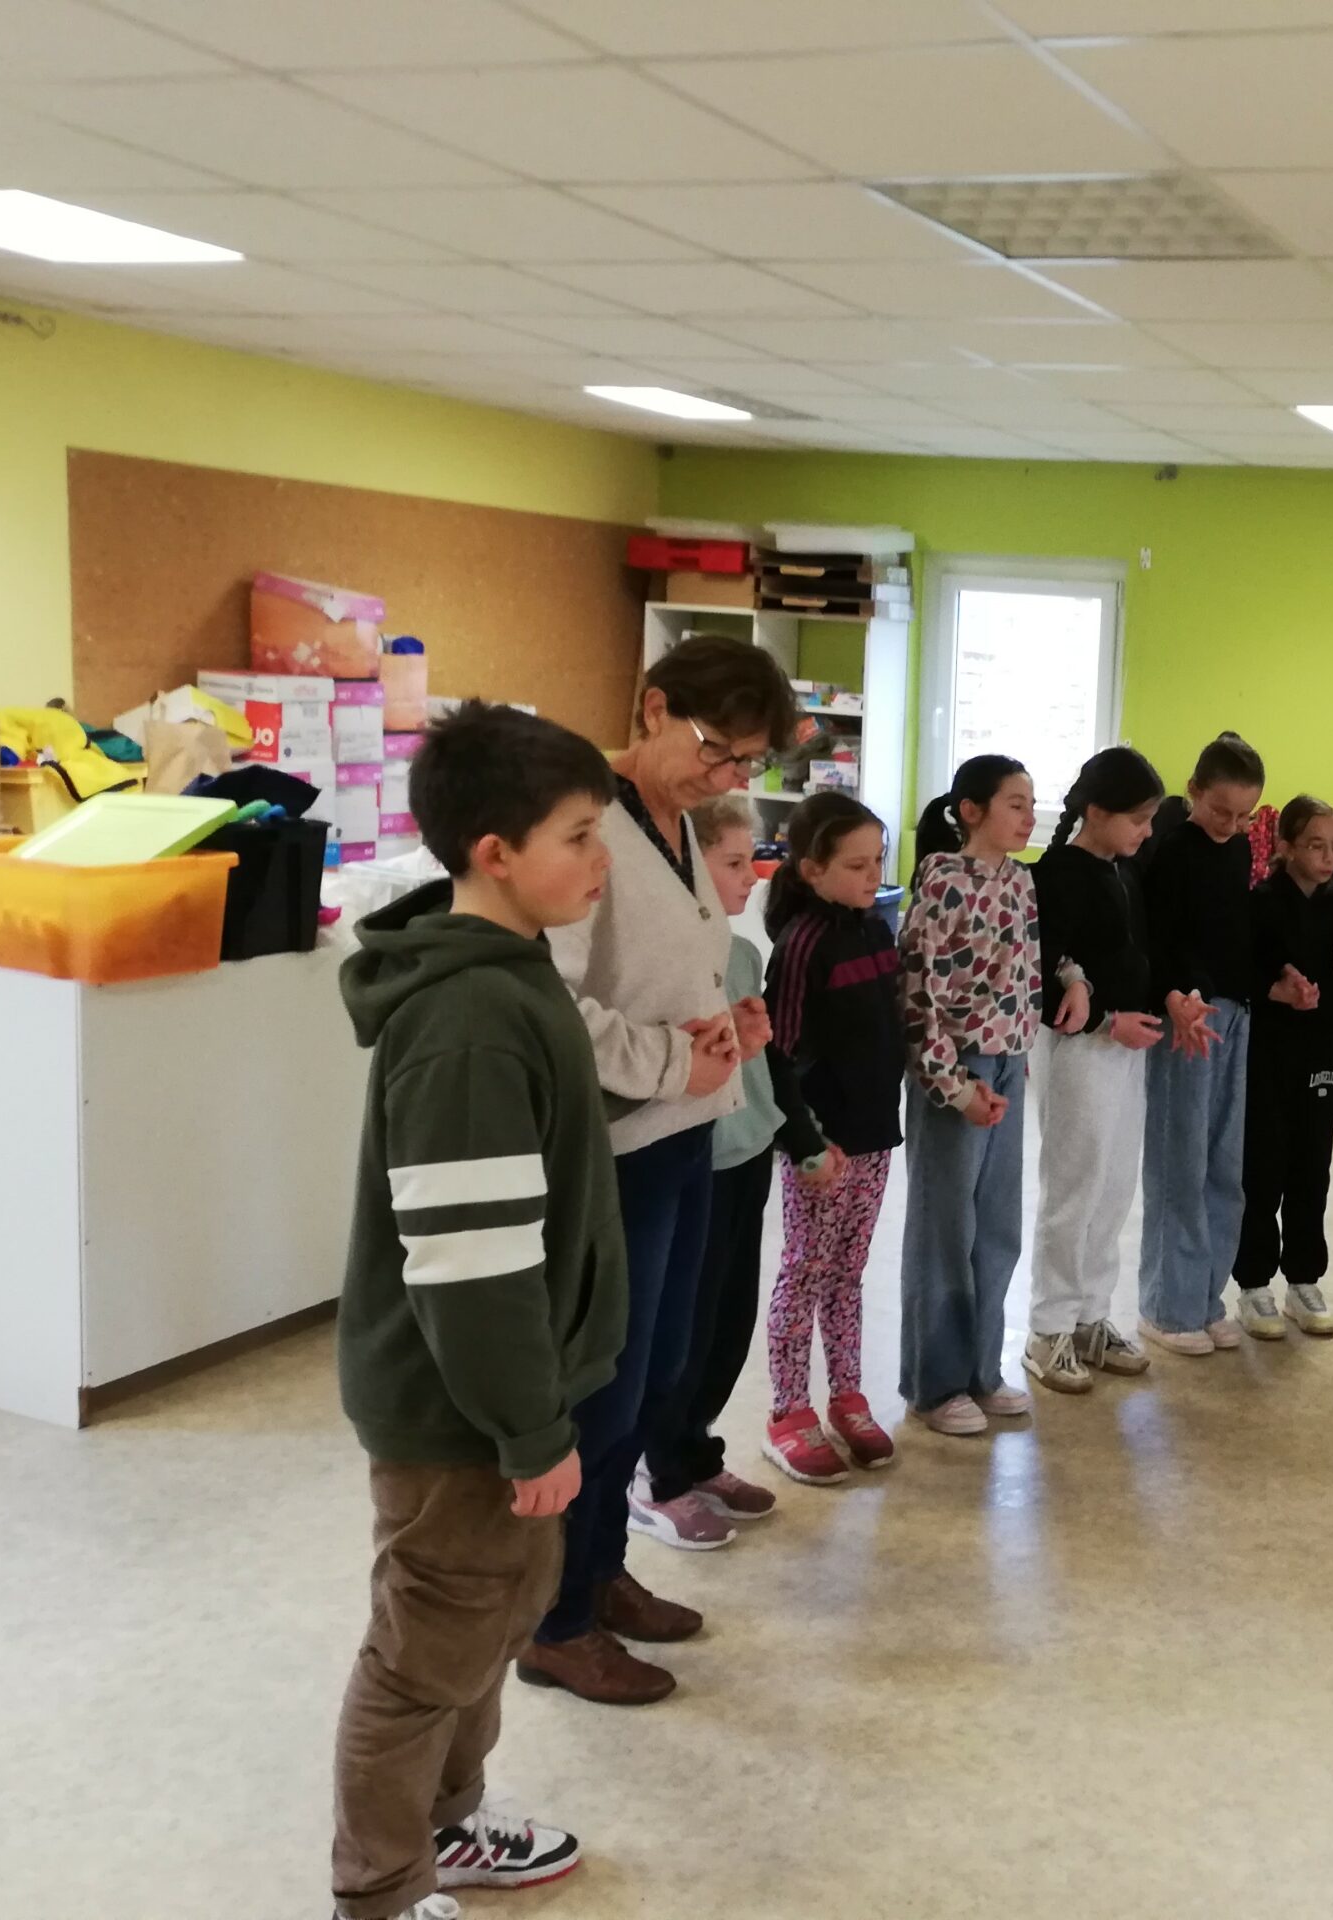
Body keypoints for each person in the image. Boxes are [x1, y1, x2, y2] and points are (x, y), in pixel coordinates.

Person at [329, 703, 619, 1920]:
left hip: (508, 1397)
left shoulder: (511, 973)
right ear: (494, 853)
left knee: (491, 1624)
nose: (601, 861)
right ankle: (380, 1892)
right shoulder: (466, 1022)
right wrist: (527, 1428)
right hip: (463, 1412)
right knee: (423, 1658)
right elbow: (470, 1265)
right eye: (578, 837)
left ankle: (449, 1827)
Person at [520, 635, 792, 1706]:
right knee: (606, 1386)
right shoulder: (585, 824)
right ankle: (558, 1621)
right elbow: (556, 1004)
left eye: (747, 764)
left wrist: (728, 1024)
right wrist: (676, 1059)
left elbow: (667, 974)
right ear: (652, 708)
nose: (725, 776)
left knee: (657, 1370)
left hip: (683, 1135)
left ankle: (602, 1572)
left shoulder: (675, 820)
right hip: (618, 1150)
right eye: (716, 748)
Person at [637, 795, 785, 1523]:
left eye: (749, 859)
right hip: (695, 1155)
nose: (750, 876)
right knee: (682, 1332)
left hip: (747, 1150)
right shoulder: (660, 960)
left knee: (728, 1322)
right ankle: (657, 1476)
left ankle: (697, 1451)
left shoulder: (744, 955)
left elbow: (759, 1065)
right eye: (732, 862)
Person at [759, 792, 904, 1484]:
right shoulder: (802, 944)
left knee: (848, 1273)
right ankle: (788, 1411)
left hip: (874, 1138)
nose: (872, 875)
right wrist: (805, 1143)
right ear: (812, 869)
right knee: (805, 1272)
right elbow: (777, 1055)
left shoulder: (875, 930)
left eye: (878, 860)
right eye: (855, 864)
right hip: (822, 1149)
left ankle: (848, 1395)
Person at [899, 754, 1041, 1435]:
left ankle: (984, 1369)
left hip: (1009, 1063)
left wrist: (1021, 1050)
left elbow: (1026, 973)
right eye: (1016, 803)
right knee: (945, 1229)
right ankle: (936, 1384)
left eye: (1032, 804)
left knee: (997, 1226)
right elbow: (917, 995)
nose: (1029, 817)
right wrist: (954, 1088)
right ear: (971, 810)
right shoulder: (941, 881)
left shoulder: (1021, 881)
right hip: (956, 1070)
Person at [1025, 746, 1167, 1394]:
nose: (1147, 832)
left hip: (1125, 1050)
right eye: (1138, 819)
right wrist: (1108, 1020)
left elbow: (1130, 956)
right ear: (1098, 811)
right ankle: (1048, 1328)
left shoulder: (1122, 871)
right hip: (1080, 1050)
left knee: (1113, 1188)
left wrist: (1167, 1003)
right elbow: (1045, 972)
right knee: (1074, 1188)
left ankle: (1089, 1316)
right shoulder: (1058, 871)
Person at [1135, 733, 1266, 1357]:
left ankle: (1205, 1297)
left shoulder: (1237, 849)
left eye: (1244, 815)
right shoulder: (1169, 850)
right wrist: (1175, 996)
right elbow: (1157, 941)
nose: (1231, 825)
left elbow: (1232, 932)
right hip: (1186, 1019)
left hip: (1233, 1014)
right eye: (1220, 810)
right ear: (1192, 792)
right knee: (1179, 1164)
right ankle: (1167, 1306)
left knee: (1223, 1166)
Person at [1234, 795, 1333, 1341]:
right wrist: (1275, 989)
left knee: (1313, 1169)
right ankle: (1254, 1282)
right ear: (1285, 847)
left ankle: (1304, 1278)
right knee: (1263, 1170)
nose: (1328, 857)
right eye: (1315, 845)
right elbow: (1242, 971)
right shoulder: (1260, 901)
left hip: (1321, 1054)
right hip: (1268, 1055)